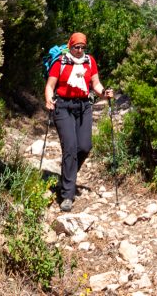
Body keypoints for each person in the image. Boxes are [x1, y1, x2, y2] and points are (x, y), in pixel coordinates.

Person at [44, 32, 113, 212]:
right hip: (63, 107)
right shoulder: (61, 62)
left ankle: (68, 176)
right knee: (70, 148)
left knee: (84, 147)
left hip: (83, 106)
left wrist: (104, 92)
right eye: (76, 47)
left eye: (82, 47)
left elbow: (96, 84)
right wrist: (48, 100)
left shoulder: (89, 61)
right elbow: (50, 86)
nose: (79, 50)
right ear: (70, 46)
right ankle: (67, 195)